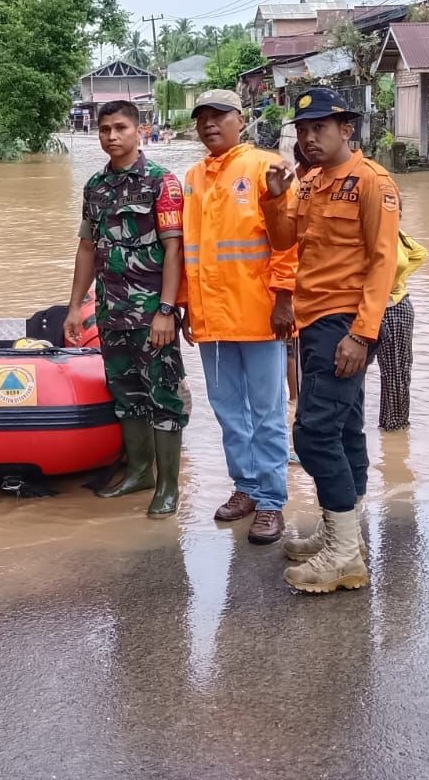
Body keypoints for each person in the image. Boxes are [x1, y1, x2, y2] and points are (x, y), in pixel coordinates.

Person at [262, 86, 401, 593]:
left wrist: (362, 335)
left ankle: (343, 554)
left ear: (347, 128)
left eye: (319, 127)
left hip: (346, 323)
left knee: (314, 435)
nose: (309, 137)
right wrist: (276, 196)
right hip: (314, 321)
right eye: (302, 130)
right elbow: (284, 240)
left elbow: (384, 262)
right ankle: (343, 534)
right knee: (344, 431)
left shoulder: (372, 181)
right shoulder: (310, 182)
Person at [179, 88, 299, 545]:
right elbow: (190, 249)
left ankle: (271, 500)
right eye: (202, 118)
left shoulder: (266, 167)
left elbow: (288, 242)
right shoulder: (194, 177)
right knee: (228, 410)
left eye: (219, 116)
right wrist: (187, 305)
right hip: (211, 318)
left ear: (241, 120)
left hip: (260, 314)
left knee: (267, 412)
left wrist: (284, 298)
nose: (209, 124)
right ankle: (245, 487)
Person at [63, 100, 189, 518]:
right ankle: (139, 473)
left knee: (163, 396)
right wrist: (75, 306)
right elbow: (87, 248)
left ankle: (168, 487)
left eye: (120, 127)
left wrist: (166, 310)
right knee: (126, 395)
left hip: (152, 313)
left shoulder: (160, 183)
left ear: (139, 130)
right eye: (104, 129)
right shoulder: (95, 187)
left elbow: (174, 250)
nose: (112, 136)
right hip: (111, 312)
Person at [376, 230, 428, 431]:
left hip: (394, 308)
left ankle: (394, 427)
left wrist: (395, 281)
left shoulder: (394, 234)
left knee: (397, 371)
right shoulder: (389, 233)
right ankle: (393, 426)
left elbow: (420, 254)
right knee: (393, 370)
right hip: (393, 306)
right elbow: (419, 254)